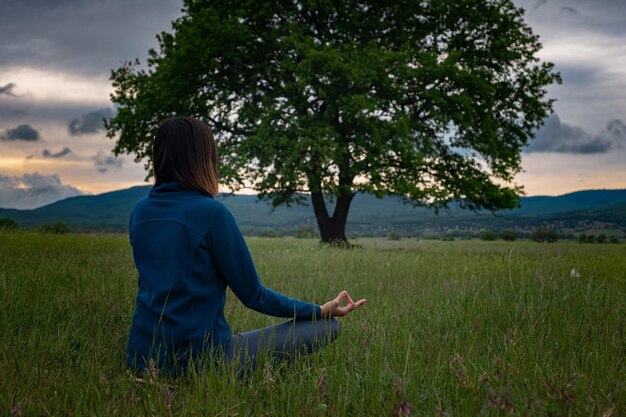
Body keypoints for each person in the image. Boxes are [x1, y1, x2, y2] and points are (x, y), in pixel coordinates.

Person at [126, 116, 366, 376]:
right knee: (326, 327)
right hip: (201, 361)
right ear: (203, 158)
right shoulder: (212, 214)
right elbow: (254, 296)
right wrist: (318, 310)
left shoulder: (140, 211)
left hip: (140, 357)